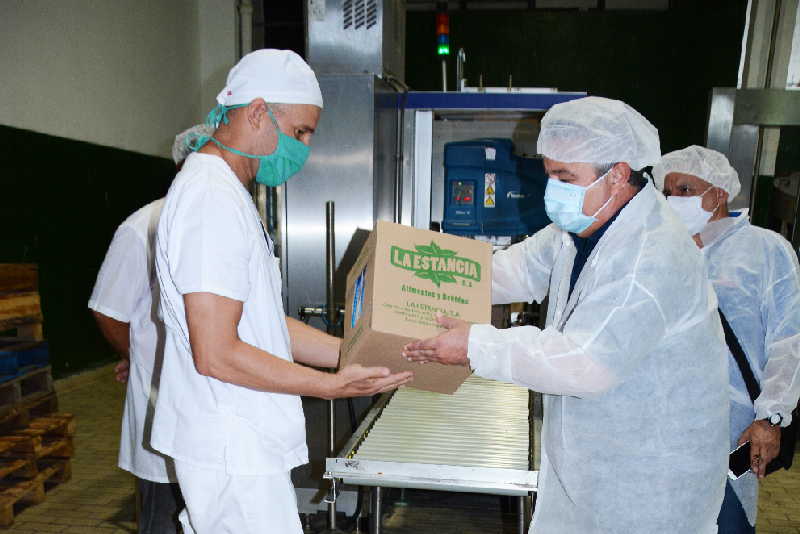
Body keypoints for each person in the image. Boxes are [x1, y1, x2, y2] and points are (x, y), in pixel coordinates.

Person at [402, 96, 729, 533]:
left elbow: (587, 363)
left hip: (647, 485)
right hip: (590, 465)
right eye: (550, 171)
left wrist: (474, 344)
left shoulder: (652, 255)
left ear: (616, 175)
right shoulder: (580, 228)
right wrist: (415, 272)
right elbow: (508, 271)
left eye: (565, 176)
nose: (552, 188)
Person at [151, 49, 412, 534]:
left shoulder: (229, 194)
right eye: (300, 133)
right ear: (256, 113)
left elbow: (265, 325)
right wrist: (327, 386)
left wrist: (358, 354)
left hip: (242, 441)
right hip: (230, 441)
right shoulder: (210, 198)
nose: (305, 149)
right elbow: (216, 352)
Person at [653, 145, 800, 534]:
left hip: (730, 430)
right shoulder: (660, 252)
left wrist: (770, 417)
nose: (673, 200)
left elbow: (790, 339)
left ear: (718, 194)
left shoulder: (764, 250)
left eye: (685, 189)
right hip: (658, 431)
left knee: (726, 523)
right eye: (667, 192)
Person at [88, 123, 213, 533]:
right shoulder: (143, 227)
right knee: (164, 515)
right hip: (164, 411)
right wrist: (137, 356)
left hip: (215, 411)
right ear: (185, 166)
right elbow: (109, 311)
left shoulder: (223, 225)